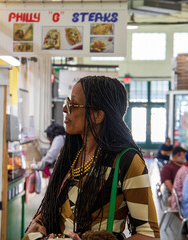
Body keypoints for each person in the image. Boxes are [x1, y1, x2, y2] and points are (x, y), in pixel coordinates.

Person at [24, 76, 160, 240]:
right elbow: (53, 205)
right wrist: (40, 221)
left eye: (73, 104)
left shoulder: (126, 161)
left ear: (97, 116)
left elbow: (149, 234)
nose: (65, 110)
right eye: (67, 102)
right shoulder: (68, 154)